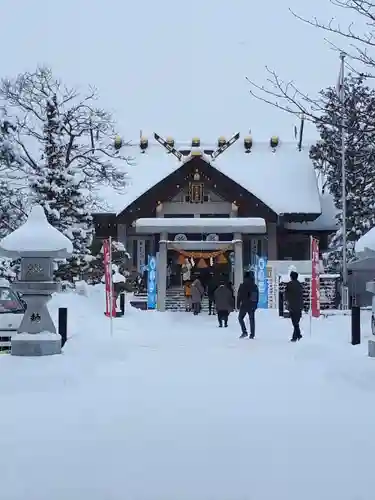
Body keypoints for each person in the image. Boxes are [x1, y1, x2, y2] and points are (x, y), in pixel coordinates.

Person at [237, 271, 259, 339]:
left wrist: (238, 304)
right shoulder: (254, 286)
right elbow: (256, 296)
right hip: (251, 305)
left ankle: (244, 332)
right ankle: (252, 334)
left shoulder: (242, 285)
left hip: (244, 304)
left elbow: (239, 296)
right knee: (251, 319)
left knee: (240, 318)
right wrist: (255, 305)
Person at [285, 270, 304, 341]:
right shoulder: (299, 284)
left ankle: (298, 335)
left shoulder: (289, 284)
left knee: (294, 322)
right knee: (296, 322)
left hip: (292, 306)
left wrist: (287, 302)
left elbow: (286, 295)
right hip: (299, 306)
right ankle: (295, 337)